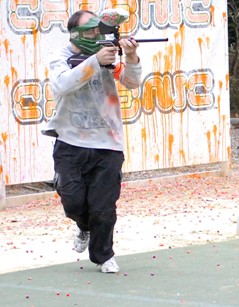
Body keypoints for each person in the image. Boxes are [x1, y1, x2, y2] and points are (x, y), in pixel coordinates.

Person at [43, 10, 141, 273]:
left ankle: (103, 255)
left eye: (98, 31)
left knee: (103, 206)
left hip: (108, 144)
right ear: (75, 34)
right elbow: (63, 84)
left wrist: (130, 57)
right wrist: (95, 61)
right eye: (89, 32)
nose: (95, 36)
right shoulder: (61, 57)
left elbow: (132, 82)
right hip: (70, 142)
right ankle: (83, 226)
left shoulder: (107, 53)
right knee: (73, 201)